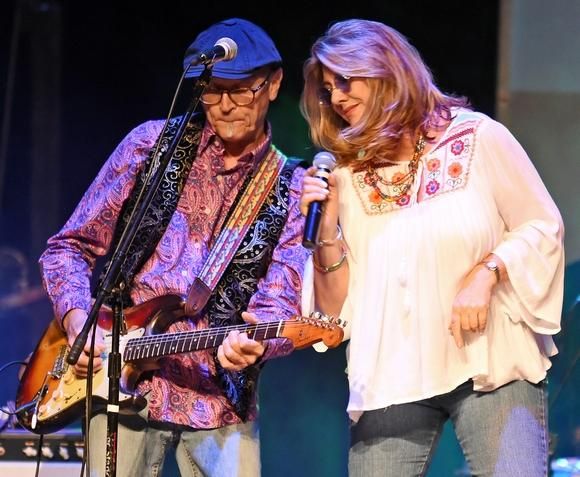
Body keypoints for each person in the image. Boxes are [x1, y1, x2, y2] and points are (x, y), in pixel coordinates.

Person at [39, 18, 309, 477]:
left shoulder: (293, 186)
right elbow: (67, 247)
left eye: (240, 90)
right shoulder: (150, 145)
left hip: (219, 402)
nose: (225, 106)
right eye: (212, 90)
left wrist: (257, 344)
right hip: (116, 386)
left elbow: (281, 301)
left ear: (274, 84)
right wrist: (78, 322)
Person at [299, 19, 564, 477]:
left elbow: (541, 224)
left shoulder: (478, 137)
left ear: (386, 69)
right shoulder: (345, 174)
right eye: (327, 89)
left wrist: (487, 273)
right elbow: (333, 311)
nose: (337, 97)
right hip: (392, 375)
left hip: (488, 359)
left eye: (345, 79)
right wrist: (326, 226)